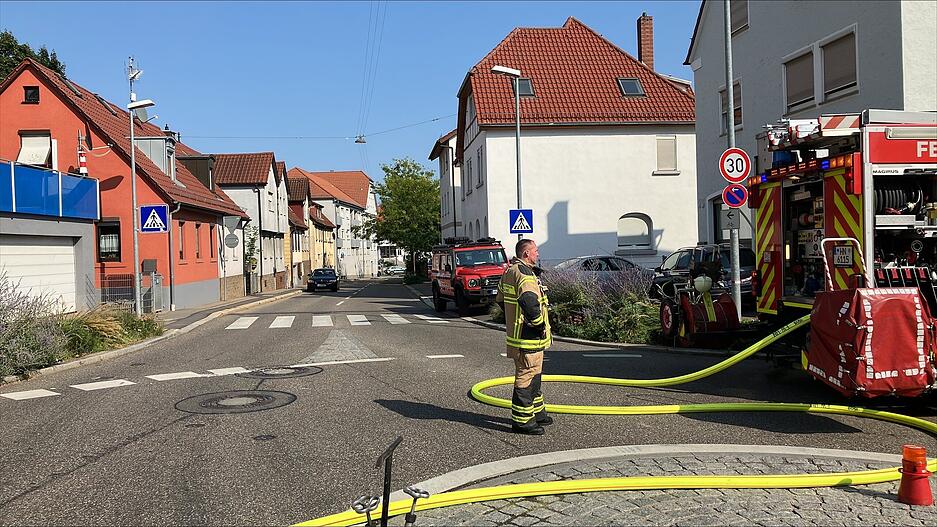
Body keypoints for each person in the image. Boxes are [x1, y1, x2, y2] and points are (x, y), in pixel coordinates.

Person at [496, 238, 553, 435]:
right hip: (529, 337)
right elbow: (529, 302)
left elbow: (500, 300)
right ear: (526, 253)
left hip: (520, 335)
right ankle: (522, 421)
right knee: (526, 377)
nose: (538, 254)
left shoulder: (509, 271)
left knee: (535, 374)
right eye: (535, 251)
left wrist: (513, 320)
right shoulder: (525, 274)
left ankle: (538, 413)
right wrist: (538, 326)